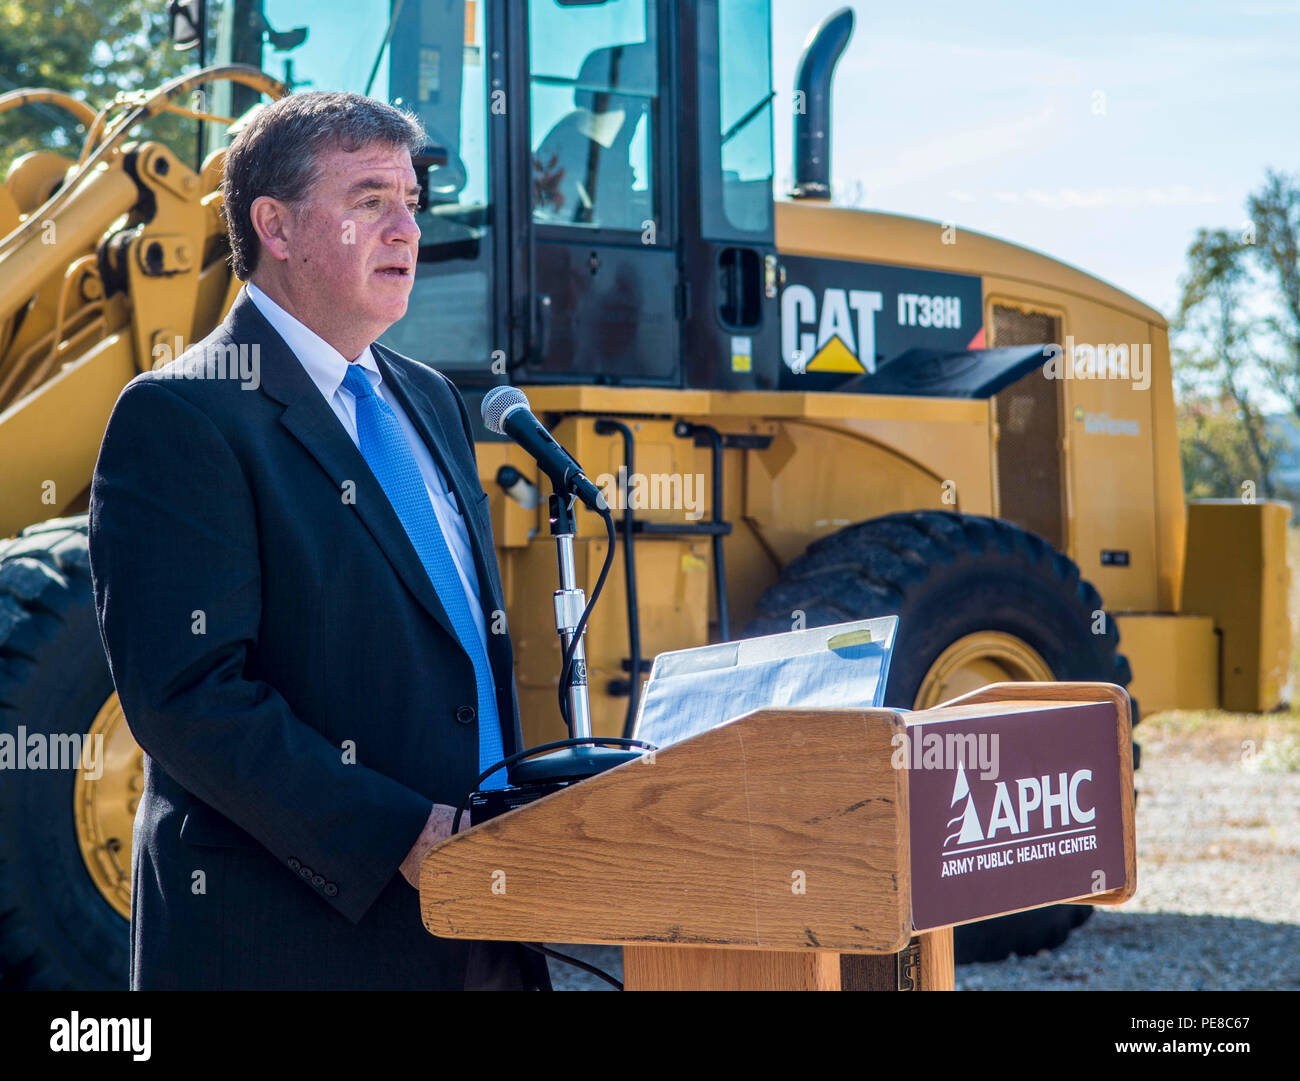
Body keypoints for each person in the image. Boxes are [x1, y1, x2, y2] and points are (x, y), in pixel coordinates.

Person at [88, 91, 548, 990]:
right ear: (277, 227)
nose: (407, 228)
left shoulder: (431, 401)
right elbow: (190, 698)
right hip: (299, 943)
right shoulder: (181, 415)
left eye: (413, 201)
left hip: (479, 925)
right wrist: (399, 833)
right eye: (370, 200)